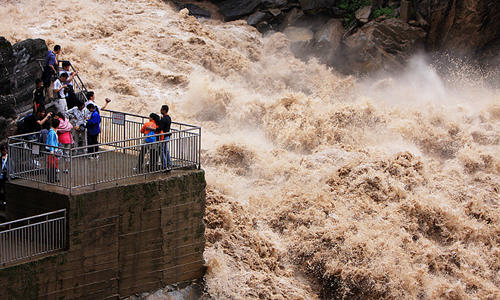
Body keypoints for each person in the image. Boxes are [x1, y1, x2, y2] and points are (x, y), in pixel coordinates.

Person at [46, 118, 60, 183]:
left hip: (55, 150)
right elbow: (51, 142)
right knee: (51, 165)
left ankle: (54, 177)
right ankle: (50, 178)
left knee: (55, 165)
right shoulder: (52, 132)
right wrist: (52, 150)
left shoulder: (54, 131)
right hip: (51, 151)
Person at [158, 104, 172, 169]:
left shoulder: (163, 119)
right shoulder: (169, 118)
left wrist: (152, 129)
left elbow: (160, 128)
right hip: (167, 136)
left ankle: (164, 165)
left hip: (163, 136)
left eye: (161, 109)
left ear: (164, 110)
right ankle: (169, 164)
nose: (160, 110)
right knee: (166, 150)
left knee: (161, 150)